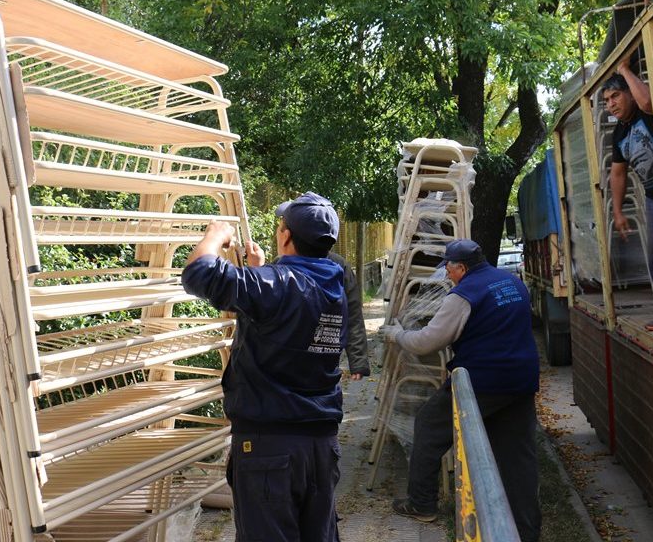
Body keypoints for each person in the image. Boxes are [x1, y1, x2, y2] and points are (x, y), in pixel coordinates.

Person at [181, 192, 347, 542]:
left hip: (270, 448)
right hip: (320, 446)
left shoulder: (276, 285)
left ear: (285, 236)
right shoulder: (334, 285)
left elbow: (198, 273)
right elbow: (289, 319)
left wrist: (216, 235)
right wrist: (260, 272)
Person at [382, 239, 541, 542]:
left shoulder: (463, 296)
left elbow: (427, 342)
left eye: (449, 270)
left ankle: (422, 503)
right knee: (517, 458)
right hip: (521, 379)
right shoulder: (512, 281)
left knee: (429, 424)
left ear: (462, 268)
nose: (447, 276)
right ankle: (527, 532)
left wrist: (398, 334)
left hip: (483, 380)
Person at [604, 58, 653, 331]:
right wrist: (618, 211)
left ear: (629, 93)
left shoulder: (647, 112)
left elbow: (648, 103)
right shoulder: (619, 133)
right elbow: (618, 173)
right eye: (607, 100)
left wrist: (624, 69)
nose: (611, 104)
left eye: (616, 96)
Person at [328, 251, 370, 380]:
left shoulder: (338, 265)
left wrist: (358, 361)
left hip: (326, 351)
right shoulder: (282, 265)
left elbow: (353, 315)